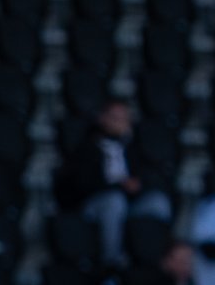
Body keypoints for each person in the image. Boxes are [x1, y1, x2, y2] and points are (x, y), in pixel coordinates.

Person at [54, 98, 172, 268]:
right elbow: (82, 184)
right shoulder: (87, 147)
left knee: (158, 202)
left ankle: (158, 257)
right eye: (114, 117)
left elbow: (145, 175)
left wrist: (137, 185)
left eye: (124, 118)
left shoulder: (133, 148)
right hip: (96, 203)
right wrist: (118, 186)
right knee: (114, 201)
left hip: (129, 203)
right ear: (102, 118)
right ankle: (112, 260)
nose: (120, 122)